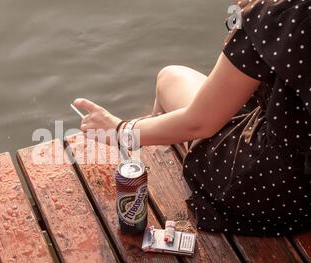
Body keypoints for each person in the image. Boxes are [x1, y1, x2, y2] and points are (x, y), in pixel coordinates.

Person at [73, 0, 311, 237]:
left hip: (281, 194)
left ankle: (156, 147)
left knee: (170, 78)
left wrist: (121, 130)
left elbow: (199, 122)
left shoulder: (279, 14)